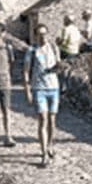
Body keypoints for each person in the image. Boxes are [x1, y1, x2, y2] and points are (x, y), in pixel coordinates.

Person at [23, 23, 61, 166]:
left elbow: (59, 66)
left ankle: (50, 144)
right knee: (43, 119)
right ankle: (44, 153)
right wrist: (27, 90)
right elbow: (26, 71)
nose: (43, 37)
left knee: (52, 120)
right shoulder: (31, 50)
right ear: (36, 36)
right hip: (39, 88)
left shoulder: (54, 48)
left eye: (45, 34)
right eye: (40, 34)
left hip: (53, 87)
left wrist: (57, 67)